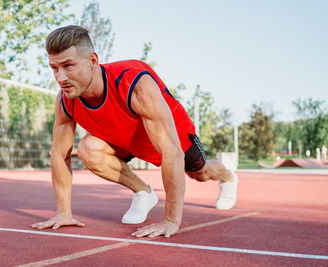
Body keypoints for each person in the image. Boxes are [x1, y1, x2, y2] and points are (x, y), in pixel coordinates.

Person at [31, 25, 238, 238]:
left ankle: (228, 176)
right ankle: (143, 192)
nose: (60, 77)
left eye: (68, 66)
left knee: (200, 174)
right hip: (126, 142)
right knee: (88, 149)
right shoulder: (66, 101)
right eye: (54, 68)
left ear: (92, 61)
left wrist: (170, 220)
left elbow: (172, 152)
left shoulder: (134, 83)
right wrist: (63, 212)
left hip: (173, 140)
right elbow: (59, 154)